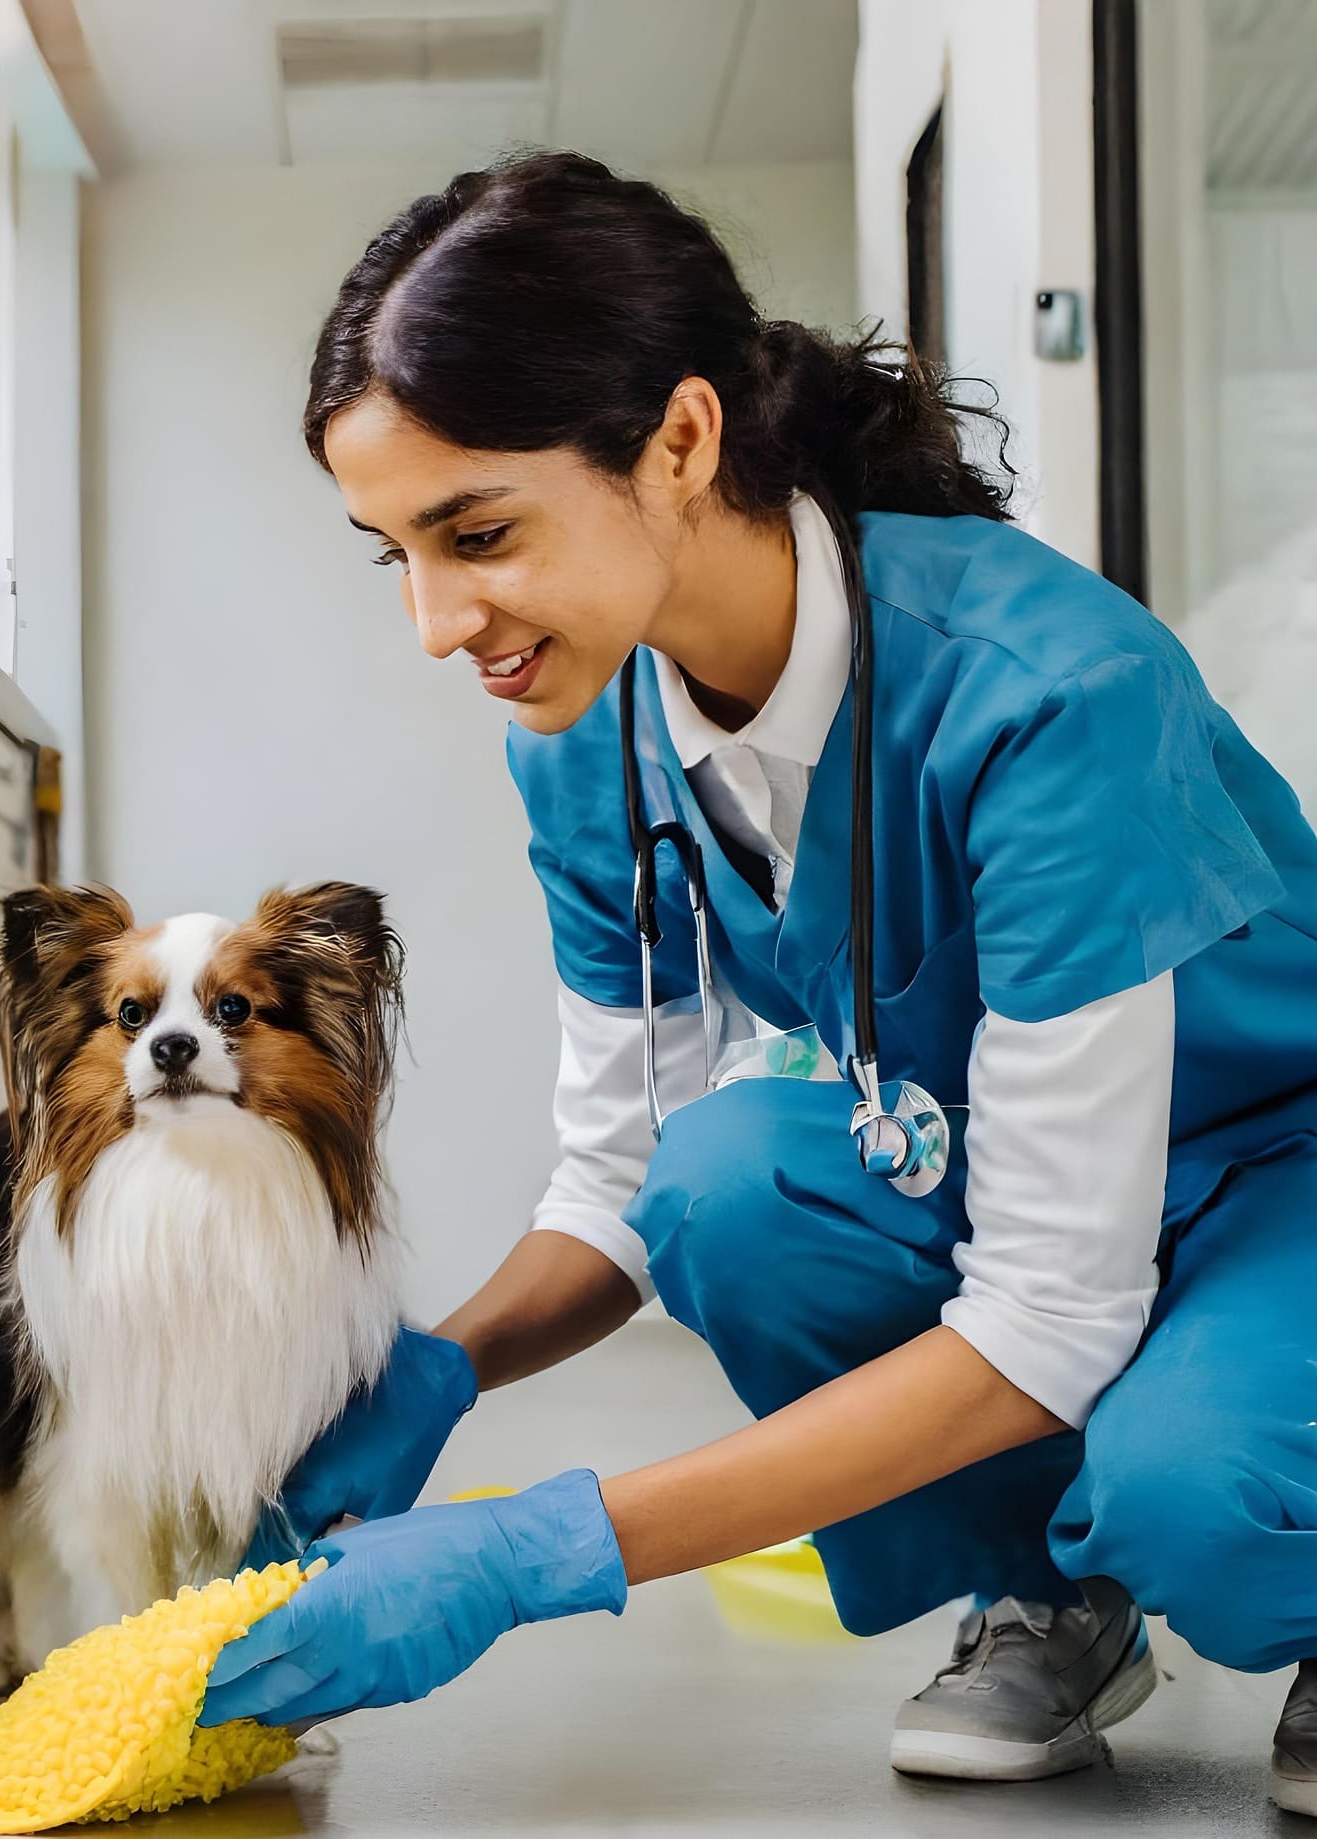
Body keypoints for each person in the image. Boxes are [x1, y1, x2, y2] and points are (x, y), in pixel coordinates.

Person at [194, 152, 1317, 1814]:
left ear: (683, 441)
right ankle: (1045, 1596)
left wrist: (544, 1548)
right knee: (725, 1189)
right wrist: (437, 1367)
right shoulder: (589, 748)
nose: (440, 623)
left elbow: (1048, 1314)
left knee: (1196, 1496)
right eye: (395, 556)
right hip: (1032, 1191)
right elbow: (623, 1175)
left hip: (1276, 1169)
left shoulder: (1047, 692)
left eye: (477, 533)